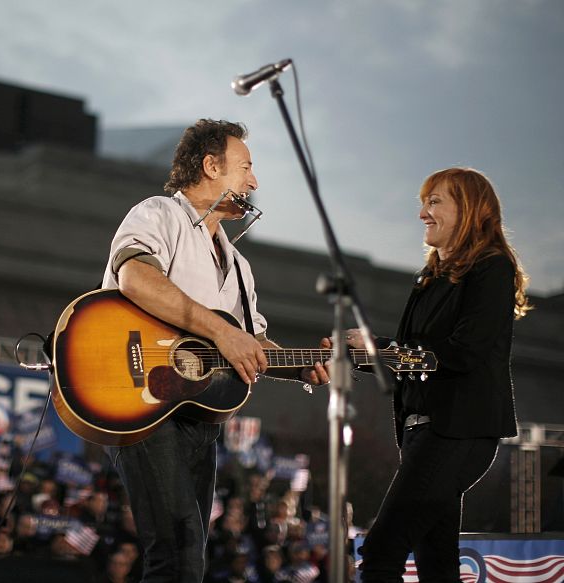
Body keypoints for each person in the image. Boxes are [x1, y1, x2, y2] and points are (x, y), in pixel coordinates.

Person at [101, 119, 328, 582]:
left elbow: (249, 340)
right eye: (245, 167)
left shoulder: (240, 266)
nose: (254, 181)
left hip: (198, 415)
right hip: (140, 398)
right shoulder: (159, 213)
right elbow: (135, 276)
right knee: (177, 547)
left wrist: (303, 365)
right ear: (210, 166)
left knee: (190, 553)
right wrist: (220, 333)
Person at [339, 167, 530, 580]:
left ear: (469, 211)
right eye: (424, 203)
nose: (423, 213)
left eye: (435, 201)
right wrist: (357, 355)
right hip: (420, 431)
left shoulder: (491, 268)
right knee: (436, 559)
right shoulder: (430, 276)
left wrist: (382, 348)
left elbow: (461, 354)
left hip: (458, 432)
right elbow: (415, 353)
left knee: (381, 551)